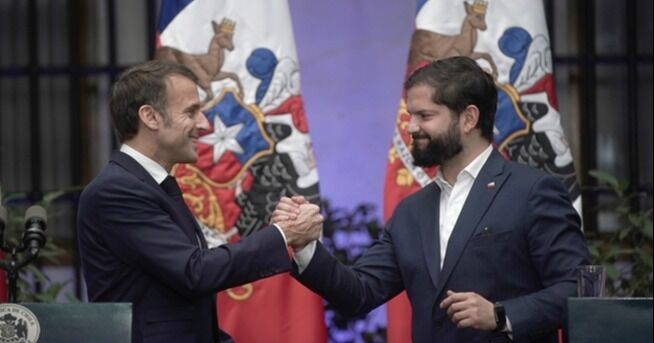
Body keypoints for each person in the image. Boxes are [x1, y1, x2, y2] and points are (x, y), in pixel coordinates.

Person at [275, 56, 591, 343]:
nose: (411, 127)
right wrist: (304, 246)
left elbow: (578, 291)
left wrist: (500, 314)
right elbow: (359, 292)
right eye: (411, 115)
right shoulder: (412, 210)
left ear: (468, 119)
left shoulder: (533, 192)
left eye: (425, 115)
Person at [77, 60, 323, 343]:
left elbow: (181, 308)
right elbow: (195, 272)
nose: (205, 124)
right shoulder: (116, 191)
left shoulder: (151, 185)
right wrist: (283, 235)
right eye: (191, 111)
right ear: (151, 117)